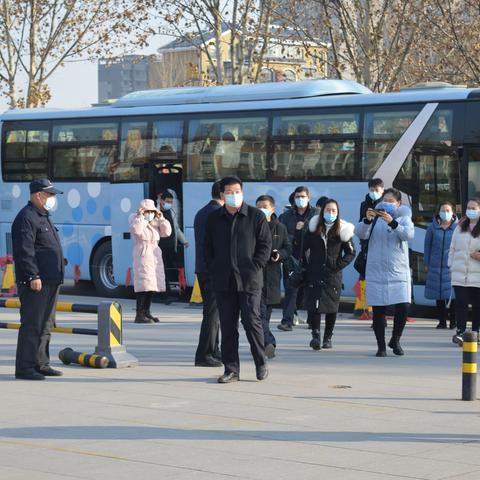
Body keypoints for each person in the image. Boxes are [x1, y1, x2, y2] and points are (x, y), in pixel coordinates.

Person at [205, 176, 272, 383]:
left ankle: (260, 362)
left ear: (242, 192)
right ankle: (231, 369)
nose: (233, 195)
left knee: (252, 322)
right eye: (229, 192)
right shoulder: (214, 218)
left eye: (237, 191)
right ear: (222, 195)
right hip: (224, 281)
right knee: (227, 326)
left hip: (249, 280)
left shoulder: (255, 216)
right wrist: (214, 269)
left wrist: (255, 266)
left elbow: (265, 245)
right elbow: (207, 248)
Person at [12, 178, 65, 380]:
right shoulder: (26, 217)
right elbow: (24, 251)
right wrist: (33, 274)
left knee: (46, 325)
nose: (52, 198)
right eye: (50, 195)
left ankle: (41, 363)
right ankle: (25, 368)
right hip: (36, 281)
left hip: (51, 280)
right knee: (32, 325)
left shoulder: (43, 216)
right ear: (38, 195)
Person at [355, 187, 414, 357]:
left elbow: (408, 235)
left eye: (391, 201)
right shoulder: (375, 218)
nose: (387, 204)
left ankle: (395, 339)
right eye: (385, 200)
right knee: (379, 309)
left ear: (398, 203)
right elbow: (360, 233)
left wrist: (392, 223)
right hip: (376, 269)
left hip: (398, 271)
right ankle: (381, 346)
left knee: (403, 306)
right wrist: (367, 220)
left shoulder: (404, 218)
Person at [301, 199, 355, 350]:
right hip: (315, 272)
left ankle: (328, 337)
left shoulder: (343, 231)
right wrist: (305, 266)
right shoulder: (313, 228)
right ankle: (316, 335)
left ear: (337, 213)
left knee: (332, 307)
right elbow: (303, 249)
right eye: (327, 210)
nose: (330, 213)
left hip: (333, 275)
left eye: (333, 211)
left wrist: (338, 266)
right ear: (322, 211)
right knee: (315, 305)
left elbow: (351, 252)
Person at [256, 195, 291, 359]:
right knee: (260, 313)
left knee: (266, 315)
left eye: (265, 206)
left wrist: (280, 255)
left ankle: (263, 344)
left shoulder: (280, 227)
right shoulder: (251, 226)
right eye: (259, 206)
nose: (261, 209)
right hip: (255, 276)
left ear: (272, 209)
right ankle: (270, 342)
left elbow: (287, 248)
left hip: (272, 276)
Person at [194, 181, 224, 367]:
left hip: (204, 268)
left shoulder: (202, 211)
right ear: (222, 193)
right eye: (230, 192)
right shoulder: (216, 213)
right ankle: (204, 354)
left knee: (215, 313)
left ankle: (214, 349)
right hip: (212, 270)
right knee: (212, 314)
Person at [278, 186, 315, 331]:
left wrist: (304, 230)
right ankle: (287, 320)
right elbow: (281, 235)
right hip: (291, 258)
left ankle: (313, 320)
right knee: (290, 289)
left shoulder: (315, 214)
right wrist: (295, 236)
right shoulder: (286, 216)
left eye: (303, 196)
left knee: (311, 290)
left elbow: (320, 234)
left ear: (308, 198)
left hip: (310, 257)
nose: (300, 199)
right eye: (297, 197)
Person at [129, 199, 172, 323]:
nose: (150, 213)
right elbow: (136, 231)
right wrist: (141, 217)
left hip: (154, 254)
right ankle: (139, 313)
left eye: (152, 211)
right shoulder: (136, 220)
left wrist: (161, 218)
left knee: (152, 285)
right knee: (143, 285)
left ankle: (147, 311)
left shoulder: (155, 222)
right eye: (147, 211)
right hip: (142, 254)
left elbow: (167, 233)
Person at [448, 198, 480, 345]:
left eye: (474, 208)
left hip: (477, 274)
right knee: (461, 303)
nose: (470, 211)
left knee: (477, 305)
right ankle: (460, 332)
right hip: (459, 273)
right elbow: (452, 248)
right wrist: (451, 266)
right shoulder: (459, 226)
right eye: (469, 208)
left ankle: (476, 332)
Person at [424, 202, 457, 329]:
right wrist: (426, 263)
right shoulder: (432, 227)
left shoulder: (458, 227)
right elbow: (427, 246)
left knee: (453, 295)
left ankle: (453, 321)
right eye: (443, 210)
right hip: (435, 265)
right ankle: (442, 321)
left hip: (452, 266)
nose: (445, 213)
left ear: (453, 212)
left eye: (448, 210)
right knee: (439, 296)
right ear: (438, 212)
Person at [356, 178, 385, 321]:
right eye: (371, 190)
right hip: (368, 246)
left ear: (382, 190)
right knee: (365, 277)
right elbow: (361, 224)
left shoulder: (386, 205)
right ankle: (364, 309)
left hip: (381, 245)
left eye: (377, 190)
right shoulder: (364, 205)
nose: (374, 193)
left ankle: (378, 313)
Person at [159, 190, 188, 303]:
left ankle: (168, 293)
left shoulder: (171, 212)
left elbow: (176, 228)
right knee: (163, 271)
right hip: (160, 247)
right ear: (161, 201)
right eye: (167, 201)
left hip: (171, 247)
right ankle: (164, 295)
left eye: (171, 202)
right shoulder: (156, 213)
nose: (169, 204)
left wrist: (184, 240)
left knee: (169, 270)